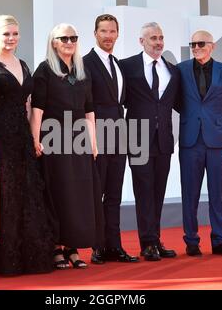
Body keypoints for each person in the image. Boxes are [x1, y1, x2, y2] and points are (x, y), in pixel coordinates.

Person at [0, 15, 54, 275]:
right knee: (6, 194)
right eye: (5, 34)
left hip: (22, 136)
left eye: (14, 33)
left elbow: (28, 103)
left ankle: (30, 257)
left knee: (28, 192)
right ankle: (5, 259)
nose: (11, 38)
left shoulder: (22, 64)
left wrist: (35, 138)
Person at [31, 23, 104, 269]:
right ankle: (56, 248)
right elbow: (37, 109)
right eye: (64, 38)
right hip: (53, 139)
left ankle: (72, 247)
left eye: (73, 37)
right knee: (58, 192)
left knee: (78, 195)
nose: (69, 42)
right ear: (54, 42)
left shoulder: (82, 71)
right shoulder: (44, 70)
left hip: (80, 140)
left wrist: (93, 142)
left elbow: (89, 110)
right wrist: (34, 139)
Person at [175, 30, 222, 257]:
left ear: (212, 46)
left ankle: (219, 240)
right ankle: (191, 241)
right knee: (189, 193)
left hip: (217, 141)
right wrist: (191, 116)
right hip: (190, 140)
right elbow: (175, 100)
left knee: (217, 194)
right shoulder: (180, 70)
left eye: (200, 43)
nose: (195, 47)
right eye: (192, 44)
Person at [120, 22, 179, 261]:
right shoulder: (126, 66)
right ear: (141, 41)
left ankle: (155, 238)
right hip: (138, 139)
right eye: (153, 38)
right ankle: (147, 243)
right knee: (143, 190)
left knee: (158, 191)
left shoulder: (172, 71)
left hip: (164, 140)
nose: (158, 42)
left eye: (161, 37)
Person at [83, 14, 138, 264]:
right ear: (95, 33)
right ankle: (98, 247)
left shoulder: (117, 63)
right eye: (103, 31)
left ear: (118, 34)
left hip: (119, 136)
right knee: (97, 193)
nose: (108, 36)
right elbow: (84, 104)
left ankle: (114, 246)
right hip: (96, 136)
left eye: (112, 31)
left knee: (115, 194)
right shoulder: (85, 63)